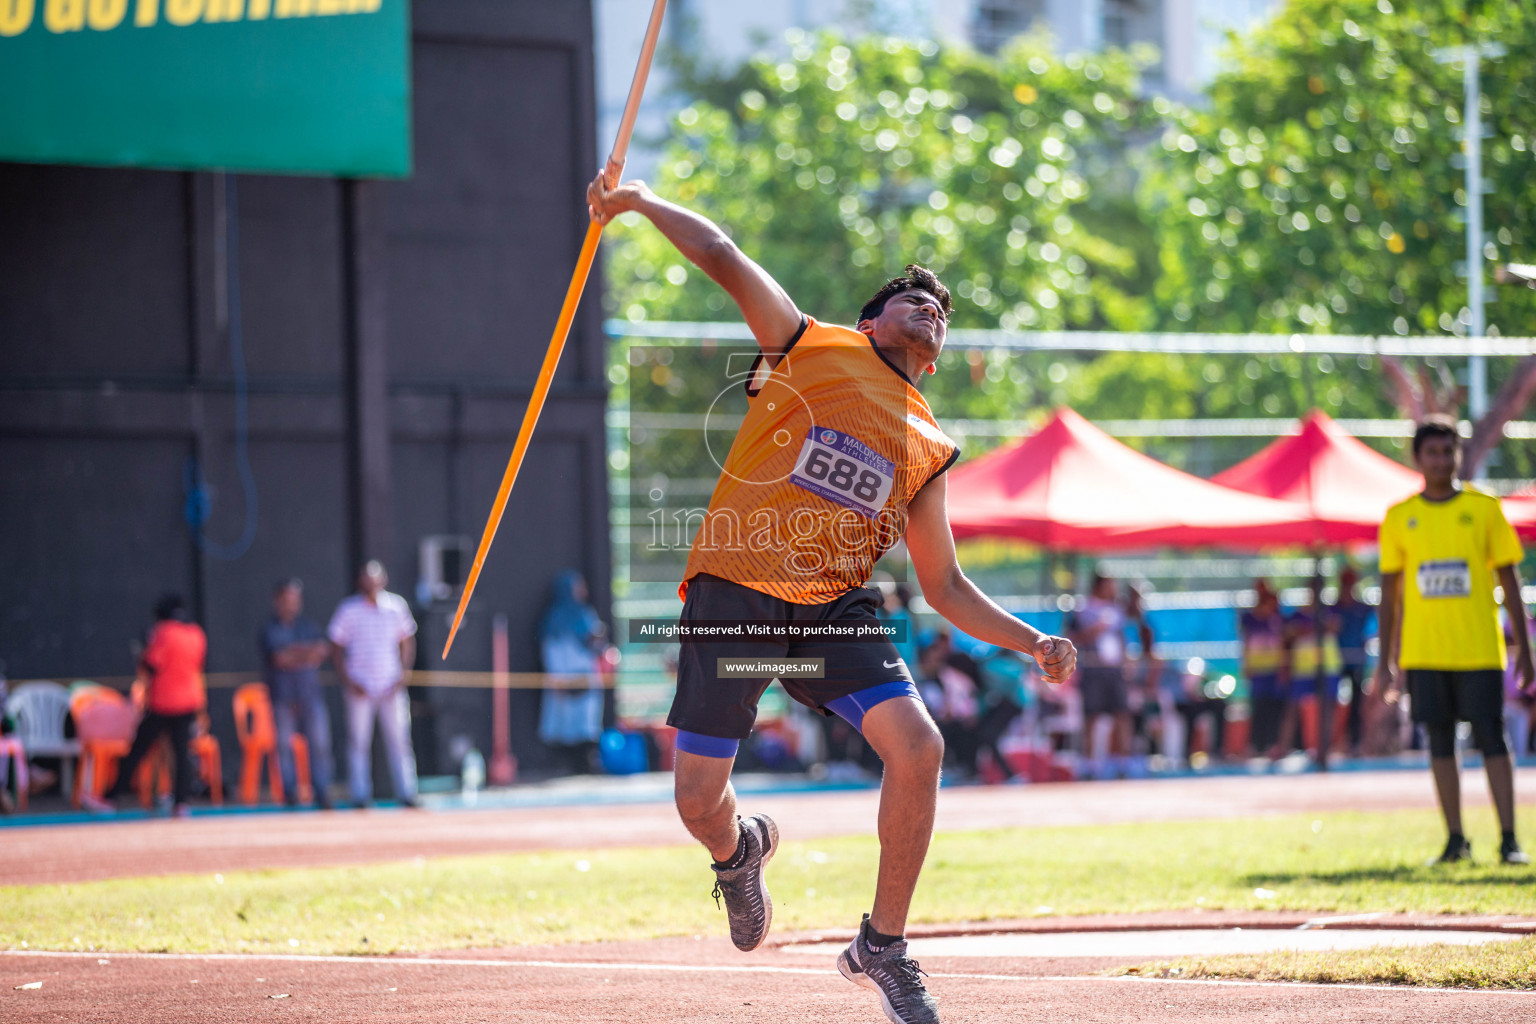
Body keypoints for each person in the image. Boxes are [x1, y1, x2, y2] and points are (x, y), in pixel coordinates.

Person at [587, 161, 1076, 1024]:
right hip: (737, 592)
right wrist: (636, 202)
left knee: (919, 749)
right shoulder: (809, 344)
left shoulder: (929, 442)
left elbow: (947, 584)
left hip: (834, 607)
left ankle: (881, 947)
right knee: (698, 800)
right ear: (868, 320)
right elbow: (725, 254)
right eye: (912, 299)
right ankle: (738, 855)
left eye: (942, 312)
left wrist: (1031, 640)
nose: (931, 309)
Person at [1376, 416, 1534, 865]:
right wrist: (1386, 661)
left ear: (1458, 455)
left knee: (1492, 739)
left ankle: (1509, 839)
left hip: (1479, 649)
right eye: (1433, 452)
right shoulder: (1398, 517)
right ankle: (1455, 839)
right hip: (1424, 652)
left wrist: (1525, 648)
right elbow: (1389, 598)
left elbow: (1510, 581)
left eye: (1449, 451)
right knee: (1439, 743)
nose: (1442, 460)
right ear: (1418, 458)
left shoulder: (1484, 509)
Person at [83, 594, 207, 816]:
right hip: (189, 702)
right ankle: (181, 804)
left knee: (137, 751)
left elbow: (151, 665)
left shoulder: (163, 632)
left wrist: (143, 653)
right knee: (181, 754)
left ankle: (110, 799)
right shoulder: (195, 634)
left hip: (163, 703)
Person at [328, 561, 419, 809]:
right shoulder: (348, 610)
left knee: (400, 740)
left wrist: (403, 674)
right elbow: (335, 646)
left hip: (391, 684)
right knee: (358, 742)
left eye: (375, 580)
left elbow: (407, 640)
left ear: (384, 581)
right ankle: (360, 796)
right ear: (360, 582)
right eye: (367, 580)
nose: (371, 585)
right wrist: (348, 680)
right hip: (360, 686)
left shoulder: (396, 606)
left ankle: (407, 793)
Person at [260, 578, 334, 809]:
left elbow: (322, 651)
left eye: (294, 600)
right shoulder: (269, 629)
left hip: (309, 694)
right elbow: (279, 658)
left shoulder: (308, 626)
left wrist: (294, 653)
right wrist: (305, 654)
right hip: (283, 696)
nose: (291, 605)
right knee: (283, 746)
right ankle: (289, 794)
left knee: (320, 744)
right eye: (286, 600)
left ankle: (322, 792)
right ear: (276, 601)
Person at [539, 570, 607, 775]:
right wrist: (558, 680)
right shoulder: (553, 618)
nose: (582, 591)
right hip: (563, 678)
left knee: (586, 722)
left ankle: (587, 763)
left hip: (586, 677)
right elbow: (550, 652)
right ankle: (563, 765)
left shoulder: (586, 614)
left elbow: (596, 645)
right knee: (562, 722)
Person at [1067, 574, 1130, 779]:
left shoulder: (1117, 610)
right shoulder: (1082, 609)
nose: (1113, 590)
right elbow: (1071, 638)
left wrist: (1126, 660)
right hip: (1093, 668)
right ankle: (1090, 765)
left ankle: (1121, 763)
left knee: (1121, 715)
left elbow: (1120, 637)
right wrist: (1096, 629)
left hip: (1114, 670)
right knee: (1092, 716)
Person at [1331, 567, 1374, 757]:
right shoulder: (1332, 608)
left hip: (1357, 661)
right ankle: (1333, 742)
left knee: (1357, 704)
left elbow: (1373, 629)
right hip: (1336, 662)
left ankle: (1355, 742)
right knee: (1331, 702)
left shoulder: (1362, 608)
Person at [1241, 581, 1287, 756]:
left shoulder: (1277, 620)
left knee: (1274, 710)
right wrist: (1246, 665)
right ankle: (1255, 745)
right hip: (1258, 671)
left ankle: (1272, 745)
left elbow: (1282, 645)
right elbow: (1246, 643)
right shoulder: (1250, 619)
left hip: (1274, 671)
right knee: (1258, 709)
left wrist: (1283, 669)